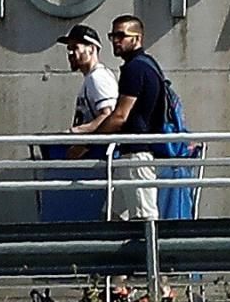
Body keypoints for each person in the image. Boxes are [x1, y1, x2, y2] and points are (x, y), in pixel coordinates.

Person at [89, 15, 164, 221]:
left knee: (144, 219)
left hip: (137, 155)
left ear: (137, 38)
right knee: (111, 216)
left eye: (121, 35)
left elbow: (120, 115)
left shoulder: (135, 68)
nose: (115, 40)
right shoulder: (148, 65)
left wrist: (88, 143)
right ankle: (113, 253)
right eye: (113, 35)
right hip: (132, 154)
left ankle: (150, 254)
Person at [58, 24, 118, 134]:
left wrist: (76, 133)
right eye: (69, 49)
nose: (70, 53)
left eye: (75, 47)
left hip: (99, 149)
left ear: (91, 49)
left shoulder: (98, 77)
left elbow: (108, 116)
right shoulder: (91, 77)